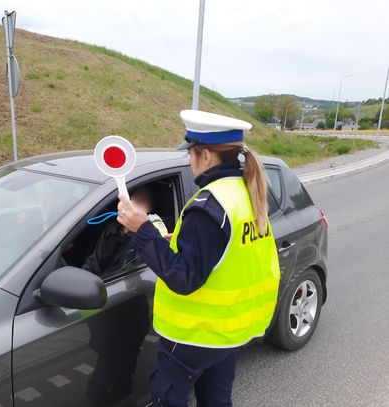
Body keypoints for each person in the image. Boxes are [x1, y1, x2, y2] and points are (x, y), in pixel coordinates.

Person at [116, 110, 280, 407]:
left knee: (168, 398)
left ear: (204, 155)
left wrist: (141, 229)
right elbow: (224, 252)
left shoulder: (209, 205)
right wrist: (174, 241)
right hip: (229, 332)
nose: (189, 161)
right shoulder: (245, 191)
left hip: (195, 334)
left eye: (190, 154)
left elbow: (183, 277)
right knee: (216, 400)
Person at [82, 187, 154, 277]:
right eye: (135, 200)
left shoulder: (148, 238)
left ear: (149, 209)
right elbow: (93, 262)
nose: (136, 206)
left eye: (142, 201)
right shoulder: (112, 229)